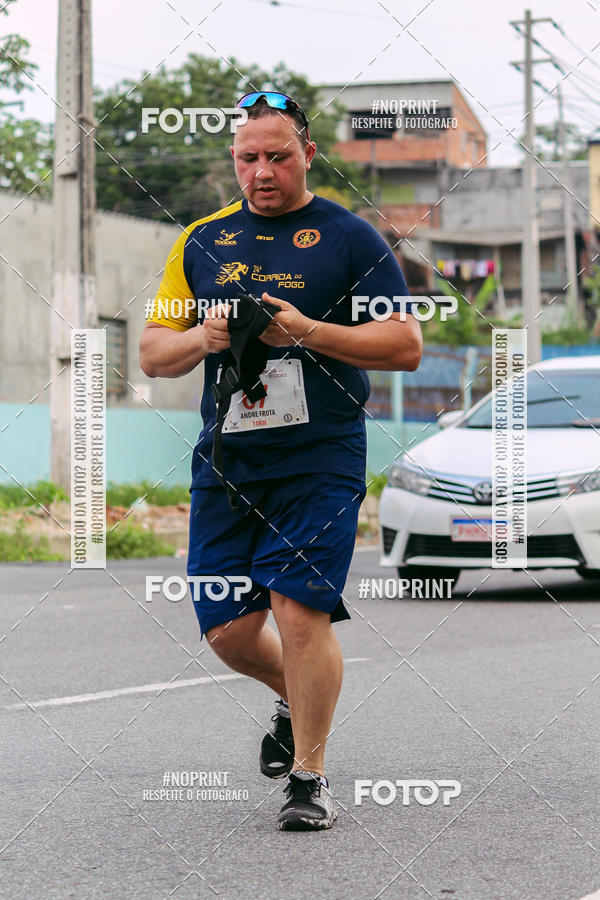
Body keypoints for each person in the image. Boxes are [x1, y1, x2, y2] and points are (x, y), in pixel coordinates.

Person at [139, 90, 422, 831]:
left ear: (307, 156)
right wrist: (200, 341)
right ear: (233, 159)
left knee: (299, 611)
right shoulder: (199, 241)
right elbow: (151, 355)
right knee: (229, 629)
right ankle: (293, 702)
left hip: (320, 453)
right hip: (229, 455)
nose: (263, 172)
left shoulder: (351, 239)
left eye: (278, 156)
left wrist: (307, 331)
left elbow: (404, 345)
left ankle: (309, 779)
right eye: (249, 158)